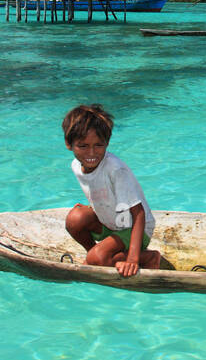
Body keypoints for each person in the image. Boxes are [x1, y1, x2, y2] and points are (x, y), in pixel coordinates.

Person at [62, 104, 162, 277]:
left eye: (98, 145)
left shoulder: (115, 170)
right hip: (111, 224)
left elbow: (138, 214)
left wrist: (133, 259)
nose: (91, 153)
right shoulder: (76, 166)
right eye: (83, 146)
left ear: (107, 143)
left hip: (135, 228)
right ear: (69, 144)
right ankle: (97, 256)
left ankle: (149, 257)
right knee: (75, 219)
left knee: (98, 258)